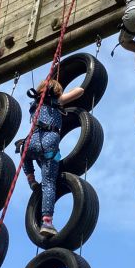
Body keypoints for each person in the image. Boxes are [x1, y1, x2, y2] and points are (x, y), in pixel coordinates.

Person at [22, 79, 84, 237]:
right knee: (49, 182)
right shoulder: (57, 101)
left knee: (24, 152)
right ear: (55, 92)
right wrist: (60, 97)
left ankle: (31, 179)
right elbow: (80, 91)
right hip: (49, 143)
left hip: (31, 142)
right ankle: (47, 222)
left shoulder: (34, 104)